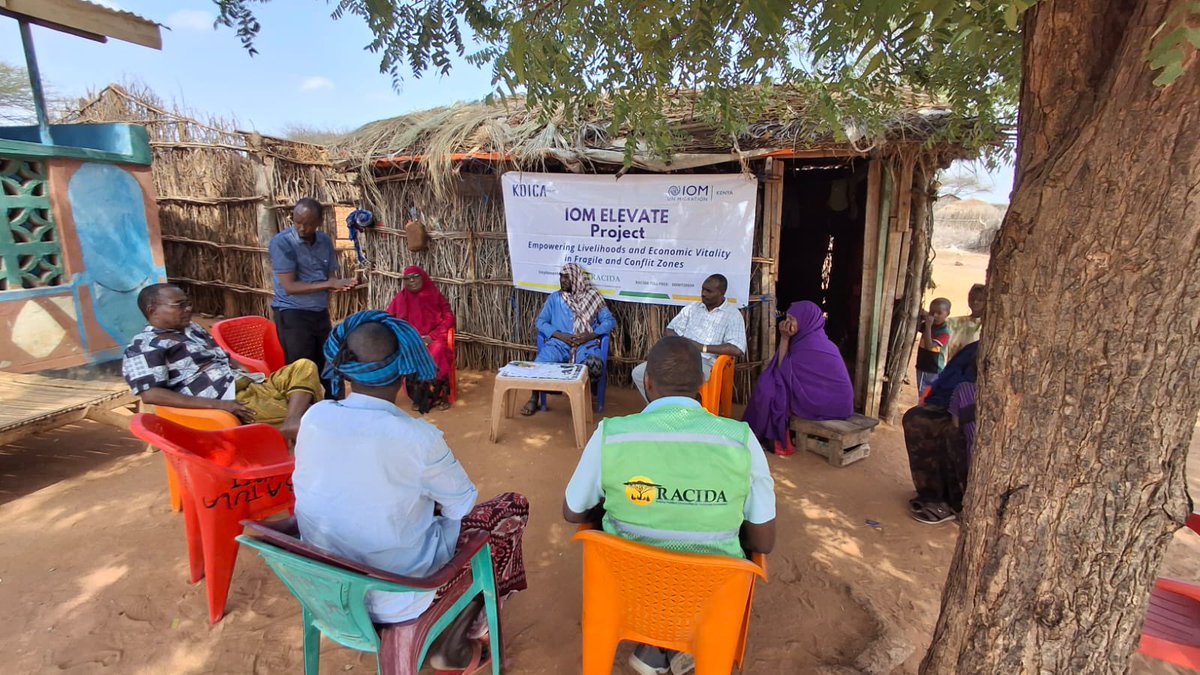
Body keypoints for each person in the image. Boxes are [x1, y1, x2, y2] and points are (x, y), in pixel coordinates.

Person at [293, 311, 529, 672]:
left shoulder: (315, 417)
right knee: (511, 509)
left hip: (327, 585)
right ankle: (454, 642)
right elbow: (461, 504)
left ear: (345, 367)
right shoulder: (417, 437)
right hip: (398, 593)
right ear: (403, 368)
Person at [564, 336, 776, 675]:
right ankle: (675, 650)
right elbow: (764, 542)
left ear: (647, 381)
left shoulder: (612, 435)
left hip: (628, 595)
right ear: (703, 382)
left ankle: (654, 647)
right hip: (708, 602)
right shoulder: (741, 440)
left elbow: (572, 511)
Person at [122, 284, 321, 439]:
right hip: (228, 397)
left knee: (304, 365)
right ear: (152, 309)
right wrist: (220, 405)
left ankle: (291, 422)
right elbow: (150, 394)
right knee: (314, 416)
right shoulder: (143, 346)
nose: (188, 308)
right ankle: (294, 429)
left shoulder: (193, 329)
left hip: (252, 384)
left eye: (188, 303)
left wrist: (242, 368)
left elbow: (222, 355)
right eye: (180, 305)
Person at [742, 301, 854, 456]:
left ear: (806, 321)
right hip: (831, 402)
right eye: (787, 318)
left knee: (770, 388)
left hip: (831, 405)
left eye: (792, 320)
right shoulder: (805, 340)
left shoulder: (812, 345)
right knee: (769, 383)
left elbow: (783, 371)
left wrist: (785, 339)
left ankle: (766, 433)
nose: (787, 323)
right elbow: (786, 373)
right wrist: (785, 338)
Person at [269, 198, 358, 390]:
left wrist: (339, 284)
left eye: (308, 224)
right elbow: (290, 287)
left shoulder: (324, 241)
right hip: (292, 314)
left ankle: (331, 407)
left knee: (328, 361)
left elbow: (330, 275)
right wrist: (330, 283)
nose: (302, 228)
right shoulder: (282, 243)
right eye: (297, 222)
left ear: (319, 222)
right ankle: (303, 414)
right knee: (302, 367)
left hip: (318, 312)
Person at [632, 274, 747, 402]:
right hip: (679, 357)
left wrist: (702, 348)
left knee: (676, 377)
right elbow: (670, 329)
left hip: (704, 362)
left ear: (721, 293)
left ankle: (680, 412)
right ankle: (658, 409)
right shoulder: (692, 308)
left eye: (708, 291)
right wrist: (683, 345)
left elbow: (737, 348)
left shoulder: (733, 315)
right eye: (703, 289)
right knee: (638, 373)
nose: (703, 293)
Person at [521, 262, 616, 416]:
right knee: (540, 365)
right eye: (561, 276)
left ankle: (585, 396)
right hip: (559, 344)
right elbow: (541, 322)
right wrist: (560, 335)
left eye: (566, 277)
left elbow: (609, 321)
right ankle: (534, 398)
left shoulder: (593, 296)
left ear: (576, 278)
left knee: (594, 364)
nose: (562, 280)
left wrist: (591, 335)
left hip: (585, 344)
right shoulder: (555, 299)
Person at [902, 340, 980, 525]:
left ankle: (958, 502)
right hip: (954, 402)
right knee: (915, 418)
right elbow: (947, 377)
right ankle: (932, 493)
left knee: (955, 435)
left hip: (976, 413)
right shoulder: (973, 347)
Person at [384, 265, 455, 412]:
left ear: (423, 277)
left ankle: (439, 395)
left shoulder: (434, 295)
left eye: (415, 277)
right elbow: (389, 320)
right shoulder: (400, 299)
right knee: (408, 353)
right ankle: (419, 397)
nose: (412, 281)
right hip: (411, 340)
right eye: (407, 279)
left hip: (433, 338)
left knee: (438, 351)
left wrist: (432, 336)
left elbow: (448, 317)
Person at [916, 297, 953, 396]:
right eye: (932, 312)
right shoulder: (928, 325)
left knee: (927, 395)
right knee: (922, 394)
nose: (935, 316)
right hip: (922, 367)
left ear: (947, 314)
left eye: (939, 313)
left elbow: (929, 346)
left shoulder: (944, 332)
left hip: (933, 370)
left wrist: (928, 326)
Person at [944, 284, 985, 362]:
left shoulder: (988, 327)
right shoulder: (954, 323)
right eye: (972, 299)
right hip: (954, 369)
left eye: (980, 300)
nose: (975, 302)